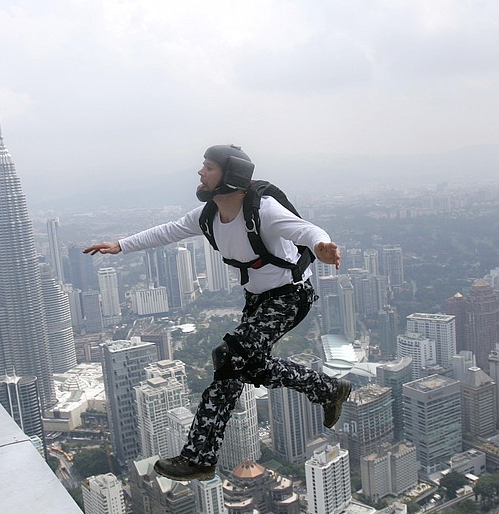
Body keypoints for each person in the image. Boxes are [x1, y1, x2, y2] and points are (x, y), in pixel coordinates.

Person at [84, 143, 351, 482]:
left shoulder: (263, 210)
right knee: (249, 366)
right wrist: (121, 245)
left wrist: (322, 247)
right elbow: (168, 231)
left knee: (229, 357)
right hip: (256, 300)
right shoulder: (209, 214)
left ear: (230, 177)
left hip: (291, 296)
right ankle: (328, 390)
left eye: (208, 167)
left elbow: (306, 230)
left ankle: (199, 456)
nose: (200, 172)